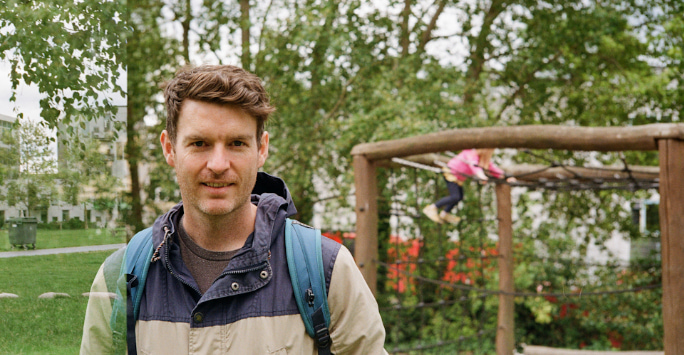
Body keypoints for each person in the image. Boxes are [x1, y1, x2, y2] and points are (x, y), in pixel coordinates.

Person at [80, 65, 388, 354]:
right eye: (199, 143)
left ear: (261, 149)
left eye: (237, 143)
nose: (217, 165)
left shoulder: (326, 270)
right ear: (169, 148)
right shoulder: (121, 276)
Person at [422, 148, 504, 224]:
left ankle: (444, 214)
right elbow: (474, 165)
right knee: (455, 196)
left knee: (460, 197)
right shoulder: (471, 154)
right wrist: (481, 176)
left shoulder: (481, 160)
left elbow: (492, 169)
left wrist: (505, 176)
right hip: (451, 173)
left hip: (458, 178)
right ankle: (432, 208)